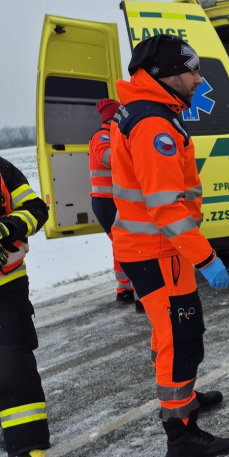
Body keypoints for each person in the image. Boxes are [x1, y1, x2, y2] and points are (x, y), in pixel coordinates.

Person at [110, 34, 229, 457]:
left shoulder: (153, 114)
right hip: (158, 251)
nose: (199, 78)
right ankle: (181, 434)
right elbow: (166, 205)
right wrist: (206, 256)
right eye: (192, 70)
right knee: (178, 338)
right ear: (164, 75)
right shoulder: (153, 125)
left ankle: (185, 396)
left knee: (178, 333)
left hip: (159, 249)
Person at [0, 148, 53, 457]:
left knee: (12, 364)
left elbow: (36, 210)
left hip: (5, 287)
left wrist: (7, 228)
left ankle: (28, 447)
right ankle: (9, 422)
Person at [89, 97, 139, 307]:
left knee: (121, 245)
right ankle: (141, 294)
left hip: (113, 201)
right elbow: (110, 158)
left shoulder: (113, 135)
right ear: (113, 117)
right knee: (131, 246)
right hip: (107, 202)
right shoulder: (103, 136)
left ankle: (124, 290)